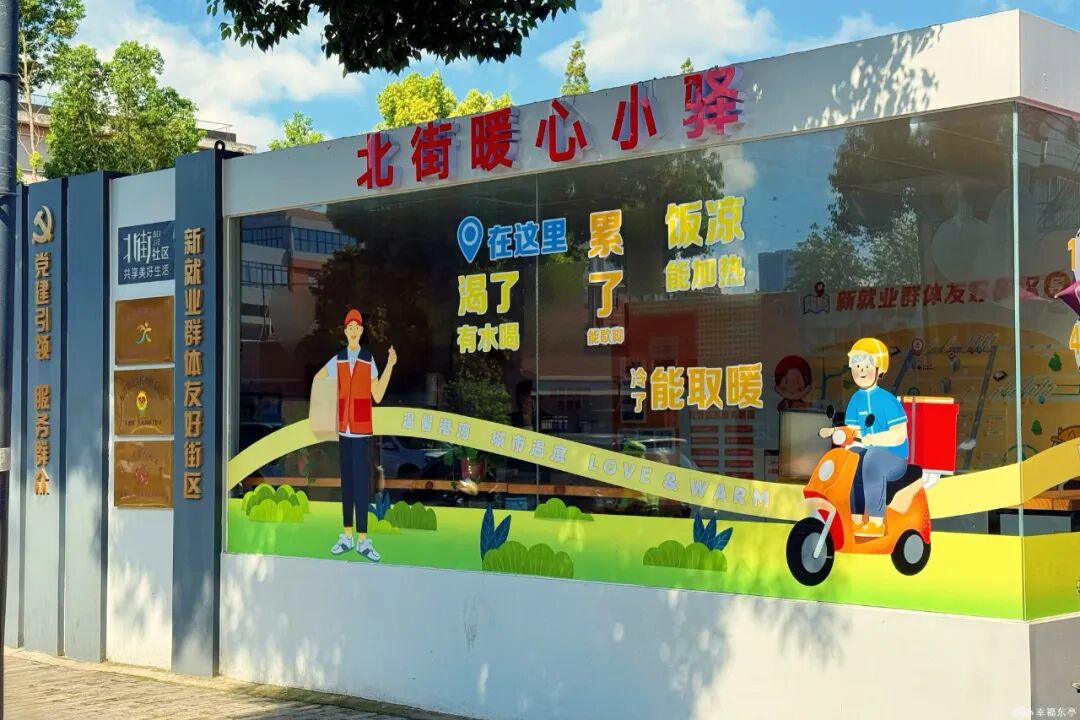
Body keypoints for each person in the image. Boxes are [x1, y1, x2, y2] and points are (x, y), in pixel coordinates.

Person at [315, 309, 397, 561]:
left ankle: (362, 540)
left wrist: (390, 366)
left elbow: (378, 395)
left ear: (361, 331)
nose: (353, 331)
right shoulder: (338, 359)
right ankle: (347, 536)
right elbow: (320, 378)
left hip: (361, 431)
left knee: (361, 486)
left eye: (356, 327)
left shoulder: (367, 359)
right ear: (345, 331)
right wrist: (327, 406)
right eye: (349, 327)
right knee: (347, 486)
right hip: (343, 429)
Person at [819, 337, 908, 538]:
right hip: (868, 455)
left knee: (872, 458)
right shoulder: (855, 400)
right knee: (852, 460)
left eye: (866, 366)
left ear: (879, 368)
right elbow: (853, 432)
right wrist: (837, 433)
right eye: (857, 366)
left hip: (893, 458)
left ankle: (876, 522)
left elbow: (899, 435)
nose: (861, 371)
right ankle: (856, 519)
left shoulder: (887, 400)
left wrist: (871, 439)